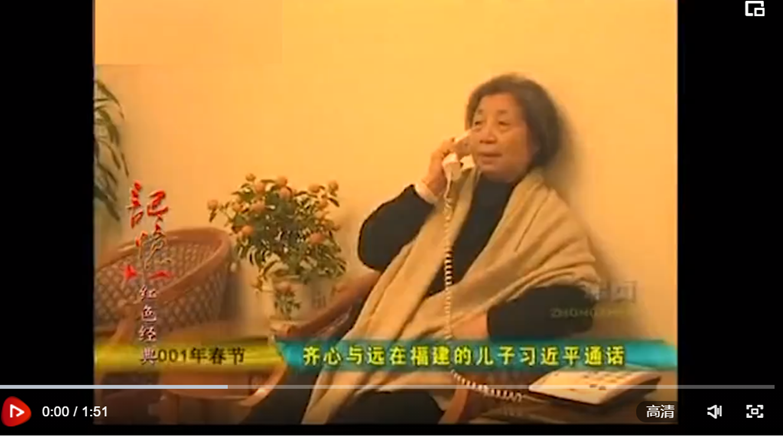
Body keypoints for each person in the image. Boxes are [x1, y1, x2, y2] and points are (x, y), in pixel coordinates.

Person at [242, 73, 601, 424]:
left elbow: (578, 302)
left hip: (429, 374)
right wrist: (428, 186)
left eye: (503, 124)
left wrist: (490, 323)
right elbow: (372, 249)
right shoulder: (445, 192)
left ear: (536, 141)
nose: (486, 135)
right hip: (365, 340)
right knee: (275, 411)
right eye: (477, 124)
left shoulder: (547, 218)